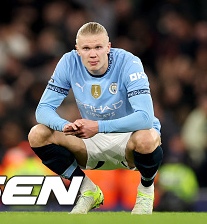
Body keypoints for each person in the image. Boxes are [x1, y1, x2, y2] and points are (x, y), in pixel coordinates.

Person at [28, 22, 163, 214]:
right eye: (86, 48)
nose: (93, 54)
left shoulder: (129, 62)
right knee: (38, 134)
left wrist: (98, 126)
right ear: (78, 50)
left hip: (129, 141)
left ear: (108, 47)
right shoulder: (68, 62)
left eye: (98, 47)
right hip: (91, 139)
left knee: (147, 137)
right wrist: (65, 126)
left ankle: (146, 192)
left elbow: (145, 118)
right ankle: (87, 190)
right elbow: (43, 110)